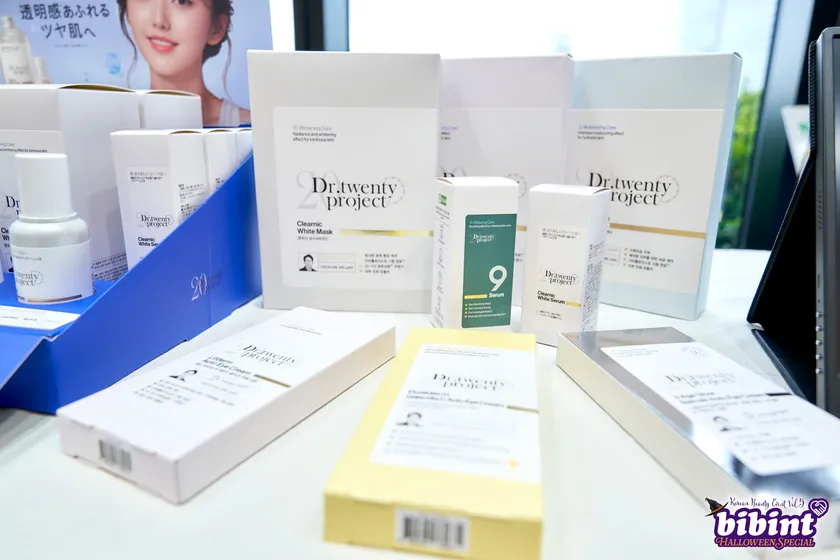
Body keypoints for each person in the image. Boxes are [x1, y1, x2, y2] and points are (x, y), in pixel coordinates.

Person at [117, 0, 250, 127]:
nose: (159, 21)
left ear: (216, 27)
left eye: (182, 1)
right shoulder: (111, 125)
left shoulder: (252, 129)